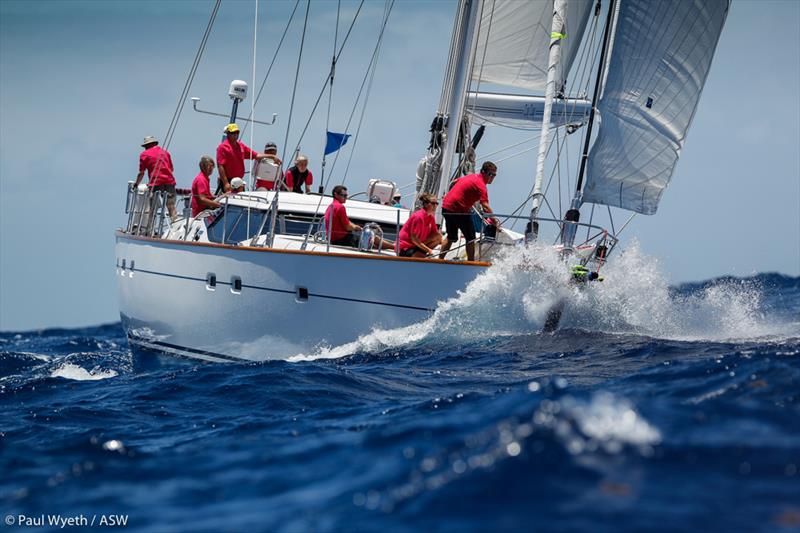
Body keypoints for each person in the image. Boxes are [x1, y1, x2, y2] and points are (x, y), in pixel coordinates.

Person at [439, 161, 499, 261]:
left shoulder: (471, 177)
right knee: (470, 238)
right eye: (490, 174)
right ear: (483, 172)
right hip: (458, 210)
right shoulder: (481, 185)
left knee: (451, 237)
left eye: (494, 175)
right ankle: (470, 263)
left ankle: (439, 260)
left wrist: (449, 195)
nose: (492, 177)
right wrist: (495, 222)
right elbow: (485, 206)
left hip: (447, 207)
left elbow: (454, 181)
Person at [324, 185, 393, 250]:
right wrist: (356, 228)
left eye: (346, 195)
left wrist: (355, 226)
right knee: (372, 238)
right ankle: (395, 247)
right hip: (343, 240)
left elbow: (347, 222)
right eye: (343, 195)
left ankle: (394, 246)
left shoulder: (330, 206)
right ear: (336, 194)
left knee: (371, 241)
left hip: (334, 240)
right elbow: (347, 226)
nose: (346, 197)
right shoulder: (340, 207)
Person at [216, 124, 270, 193]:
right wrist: (226, 183)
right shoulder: (222, 147)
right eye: (233, 133)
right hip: (229, 181)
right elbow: (220, 166)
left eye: (237, 132)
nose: (235, 135)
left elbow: (256, 155)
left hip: (239, 181)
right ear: (228, 134)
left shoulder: (241, 146)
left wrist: (272, 156)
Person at [135, 135, 177, 220]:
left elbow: (141, 173)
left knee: (153, 208)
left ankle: (149, 228)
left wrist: (136, 184)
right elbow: (171, 169)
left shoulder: (144, 155)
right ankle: (174, 223)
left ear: (146, 146)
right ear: (155, 143)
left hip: (155, 183)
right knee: (171, 205)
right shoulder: (165, 152)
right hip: (169, 181)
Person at [397, 193, 441, 258]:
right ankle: (424, 253)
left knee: (438, 236)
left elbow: (435, 234)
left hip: (416, 246)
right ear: (426, 204)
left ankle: (424, 253)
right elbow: (414, 239)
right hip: (405, 247)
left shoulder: (431, 217)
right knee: (422, 258)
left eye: (436, 203)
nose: (435, 206)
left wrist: (442, 244)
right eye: (433, 203)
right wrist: (428, 250)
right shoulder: (418, 217)